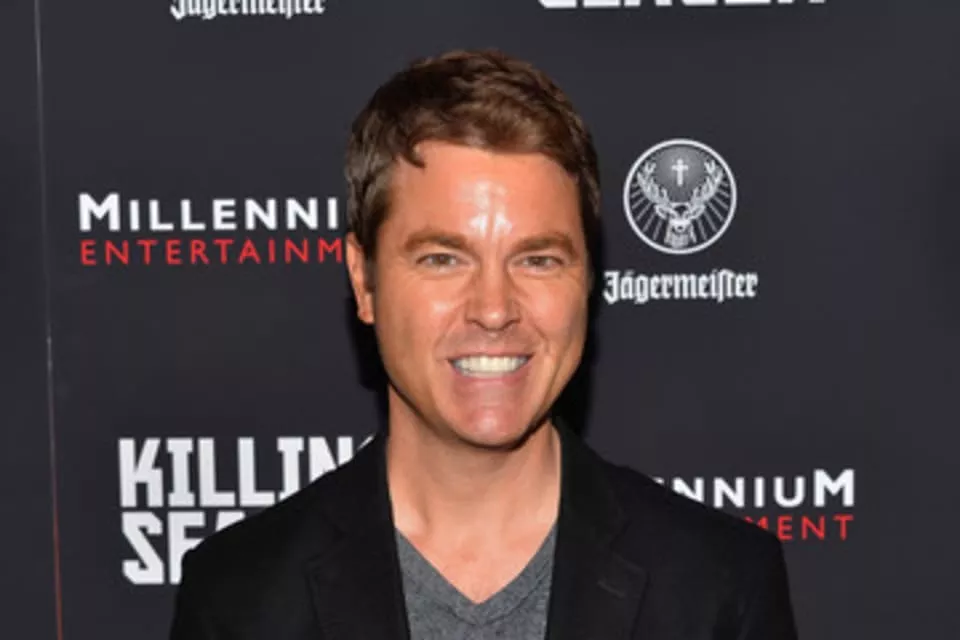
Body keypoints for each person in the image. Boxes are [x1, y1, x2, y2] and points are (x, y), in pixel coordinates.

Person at [169, 49, 798, 640]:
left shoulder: (718, 590)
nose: (494, 310)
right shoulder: (242, 599)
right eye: (443, 259)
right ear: (364, 281)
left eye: (538, 260)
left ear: (588, 278)